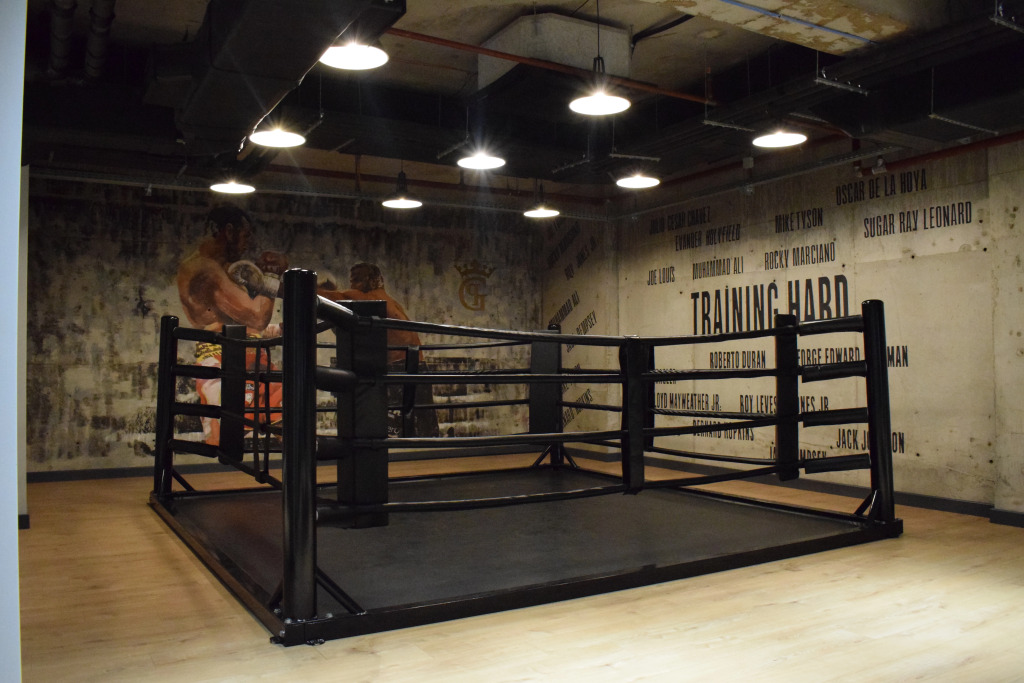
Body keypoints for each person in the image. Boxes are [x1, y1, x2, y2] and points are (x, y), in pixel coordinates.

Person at [176, 205, 288, 445]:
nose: (247, 244)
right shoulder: (203, 270)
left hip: (256, 363)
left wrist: (279, 329)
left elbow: (248, 325)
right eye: (245, 236)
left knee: (286, 432)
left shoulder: (227, 271)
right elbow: (256, 317)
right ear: (229, 231)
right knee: (228, 444)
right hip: (223, 362)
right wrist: (271, 275)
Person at [319, 262, 439, 437]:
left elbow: (328, 299)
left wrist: (278, 285)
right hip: (417, 365)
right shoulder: (390, 302)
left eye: (357, 280)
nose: (353, 285)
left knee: (398, 425)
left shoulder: (369, 298)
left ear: (371, 280)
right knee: (422, 423)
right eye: (352, 281)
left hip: (399, 367)